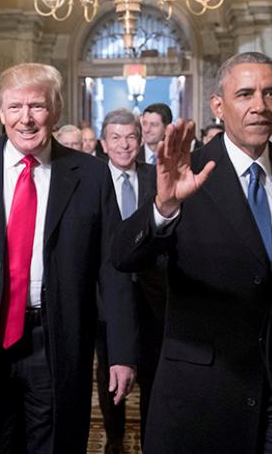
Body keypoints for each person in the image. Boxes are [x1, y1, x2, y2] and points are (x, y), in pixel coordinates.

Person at [112, 52, 272, 453]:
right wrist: (164, 208)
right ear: (219, 105)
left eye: (270, 94)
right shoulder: (186, 171)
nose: (259, 106)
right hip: (205, 389)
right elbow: (125, 256)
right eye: (245, 94)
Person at [0, 63, 138, 453]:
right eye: (15, 107)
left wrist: (121, 352)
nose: (26, 118)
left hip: (56, 340)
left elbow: (113, 268)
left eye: (37, 106)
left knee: (54, 444)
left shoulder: (91, 175)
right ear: (1, 113)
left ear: (55, 111)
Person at [97, 108, 165, 453]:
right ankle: (114, 436)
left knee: (154, 369)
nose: (124, 145)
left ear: (141, 141)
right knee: (111, 369)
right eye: (116, 138)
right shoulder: (90, 181)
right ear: (103, 143)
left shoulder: (157, 177)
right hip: (107, 297)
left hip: (153, 292)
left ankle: (151, 434)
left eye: (131, 137)